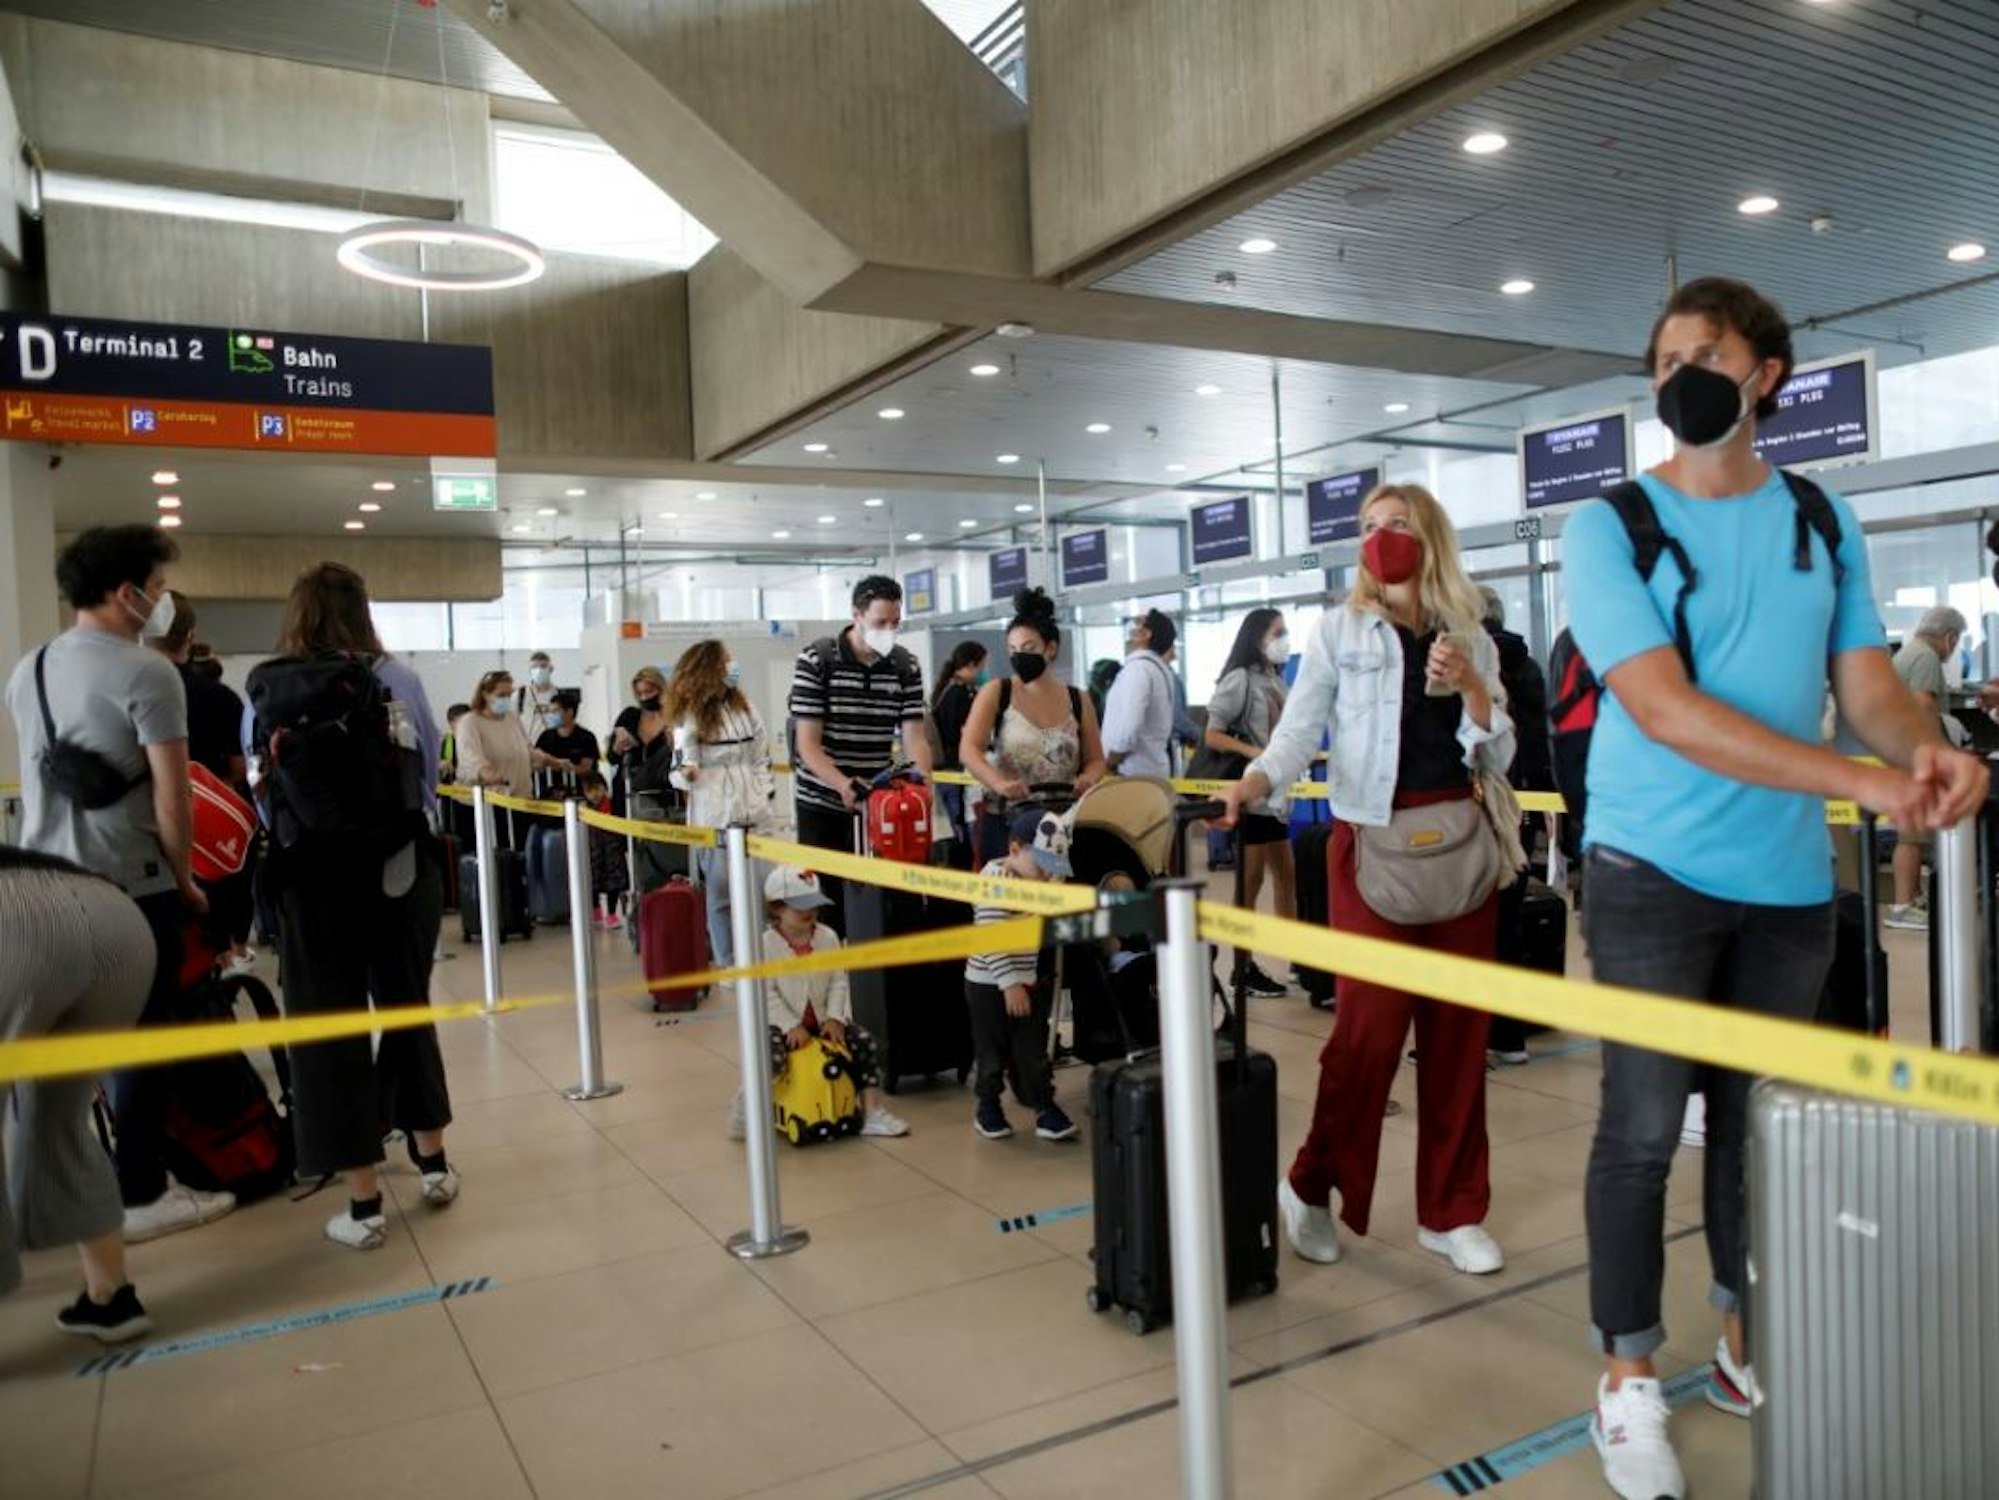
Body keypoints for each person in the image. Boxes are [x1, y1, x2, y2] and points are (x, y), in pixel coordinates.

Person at [1560, 277, 1986, 1500]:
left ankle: (1744, 1342)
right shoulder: (1609, 526)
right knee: (1643, 1128)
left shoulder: (1817, 516)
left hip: (1786, 881)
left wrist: (1922, 752)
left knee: (1759, 1129)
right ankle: (1626, 1375)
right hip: (1648, 867)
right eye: (1662, 360)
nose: (1678, 377)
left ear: (1765, 375)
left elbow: (1867, 685)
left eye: (1703, 354)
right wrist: (1858, 781)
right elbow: (1662, 709)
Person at [1219, 483, 1515, 1280]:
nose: (1380, 537)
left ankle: (1452, 1210)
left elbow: (1499, 753)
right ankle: (1309, 1186)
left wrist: (1473, 687)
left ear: (1430, 536)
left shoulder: (1468, 635)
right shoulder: (1339, 630)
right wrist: (1254, 782)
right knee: (1367, 1035)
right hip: (1370, 846)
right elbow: (1297, 731)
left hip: (1458, 847)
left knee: (1459, 1037)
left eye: (1397, 524)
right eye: (1368, 526)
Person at [4, 523, 235, 1245]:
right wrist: (185, 879)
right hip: (126, 888)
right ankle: (140, 1192)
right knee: (143, 1044)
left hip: (38, 886)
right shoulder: (147, 672)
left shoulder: (29, 667)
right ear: (126, 593)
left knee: (57, 1066)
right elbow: (173, 796)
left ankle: (47, 1204)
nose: (162, 600)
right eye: (158, 588)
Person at [248, 563, 459, 1252]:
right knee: (406, 1009)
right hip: (397, 871)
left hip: (312, 882)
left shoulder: (268, 686)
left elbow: (262, 791)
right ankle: (434, 1165)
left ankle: (363, 1205)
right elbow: (426, 781)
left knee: (328, 1031)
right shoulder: (398, 677)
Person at [0, 847, 160, 1341]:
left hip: (16, 922)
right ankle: (111, 1298)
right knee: (57, 1117)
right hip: (115, 917)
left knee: (54, 1116)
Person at [788, 576, 934, 922]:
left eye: (895, 623)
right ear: (856, 615)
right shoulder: (816, 660)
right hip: (822, 803)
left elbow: (914, 736)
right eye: (880, 622)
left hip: (879, 806)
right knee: (828, 906)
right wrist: (843, 784)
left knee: (883, 908)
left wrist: (923, 782)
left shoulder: (906, 666)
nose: (889, 631)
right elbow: (807, 744)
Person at [729, 866, 909, 1141]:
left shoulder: (828, 937)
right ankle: (747, 1108)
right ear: (776, 907)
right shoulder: (764, 945)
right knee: (767, 1055)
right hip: (780, 1023)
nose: (809, 912)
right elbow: (766, 993)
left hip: (822, 1021)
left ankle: (872, 1111)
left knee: (863, 1042)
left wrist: (835, 1018)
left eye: (813, 904)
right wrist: (790, 1025)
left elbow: (838, 980)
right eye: (800, 906)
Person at [151, 589, 257, 978]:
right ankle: (223, 960)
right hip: (208, 835)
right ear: (190, 636)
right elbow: (240, 767)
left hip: (148, 835)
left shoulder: (126, 692)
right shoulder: (220, 698)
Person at [959, 588, 1108, 862]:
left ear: (1050, 649)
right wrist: (998, 783)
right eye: (1013, 650)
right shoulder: (997, 692)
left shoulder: (1078, 699)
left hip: (1064, 822)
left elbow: (1096, 759)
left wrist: (1088, 778)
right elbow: (969, 749)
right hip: (1007, 821)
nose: (1019, 656)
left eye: (1028, 649)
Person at [964, 807, 1081, 1143]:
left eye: (1053, 868)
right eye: (1042, 866)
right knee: (991, 1054)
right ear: (1014, 850)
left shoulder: (1039, 879)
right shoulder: (993, 882)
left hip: (1027, 981)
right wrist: (1009, 984)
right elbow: (990, 938)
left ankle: (1044, 1107)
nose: (1048, 875)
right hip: (989, 985)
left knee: (1033, 1052)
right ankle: (988, 1107)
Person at [665, 639, 778, 967]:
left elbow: (761, 755)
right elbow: (678, 768)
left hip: (754, 813)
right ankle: (729, 962)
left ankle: (760, 958)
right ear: (709, 668)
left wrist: (764, 791)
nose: (732, 666)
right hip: (713, 816)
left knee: (762, 891)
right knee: (721, 897)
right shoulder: (688, 715)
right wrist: (687, 775)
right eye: (726, 660)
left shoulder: (746, 707)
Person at [1204, 607, 1296, 997]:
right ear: (1257, 637)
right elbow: (1212, 734)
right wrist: (1253, 752)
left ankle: (1299, 958)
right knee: (1251, 881)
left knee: (1287, 876)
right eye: (1278, 632)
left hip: (1275, 798)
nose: (1284, 639)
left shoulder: (1275, 679)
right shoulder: (1239, 679)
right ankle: (1241, 970)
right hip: (1249, 795)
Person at [1480, 586, 1554, 1065]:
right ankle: (1510, 1037)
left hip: (1484, 801)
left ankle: (1478, 1036)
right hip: (1524, 803)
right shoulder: (1529, 666)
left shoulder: (1472, 662)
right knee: (1508, 919)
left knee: (1474, 924)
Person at [1885, 605, 1967, 929]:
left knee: (1913, 831)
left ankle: (1913, 897)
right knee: (1912, 836)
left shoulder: (1909, 653)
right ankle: (1902, 907)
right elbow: (1924, 705)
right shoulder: (1926, 657)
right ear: (1950, 637)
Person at [456, 668, 569, 829]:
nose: (507, 699)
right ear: (485, 694)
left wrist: (553, 761)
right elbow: (471, 758)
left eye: (509, 695)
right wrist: (488, 773)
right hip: (485, 805)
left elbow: (527, 749)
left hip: (519, 800)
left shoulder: (512, 718)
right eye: (501, 695)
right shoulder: (470, 722)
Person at [1099, 609, 1181, 779]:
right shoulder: (1158, 670)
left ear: (1146, 634)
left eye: (1138, 623)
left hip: (1130, 772)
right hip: (1149, 769)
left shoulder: (1138, 669)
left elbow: (1130, 726)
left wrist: (1111, 762)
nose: (1132, 627)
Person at [930, 641, 989, 852]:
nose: (984, 672)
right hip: (955, 767)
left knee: (954, 823)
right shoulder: (960, 693)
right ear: (971, 665)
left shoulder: (945, 688)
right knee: (962, 825)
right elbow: (965, 732)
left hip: (945, 769)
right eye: (983, 666)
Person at [610, 666, 674, 813]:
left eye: (649, 692)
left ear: (661, 690)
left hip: (662, 793)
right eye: (639, 693)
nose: (644, 698)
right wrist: (619, 744)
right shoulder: (629, 716)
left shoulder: (673, 719)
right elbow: (612, 757)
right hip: (627, 790)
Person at [579, 771, 629, 930]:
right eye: (589, 790)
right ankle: (596, 910)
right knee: (592, 882)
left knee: (613, 885)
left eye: (597, 789)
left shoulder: (613, 806)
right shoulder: (583, 809)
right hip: (593, 854)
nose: (594, 794)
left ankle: (612, 914)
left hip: (612, 853)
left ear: (604, 788)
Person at [534, 689, 600, 789]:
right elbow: (537, 760)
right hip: (549, 790)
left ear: (569, 712)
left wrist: (566, 767)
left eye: (555, 711)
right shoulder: (546, 737)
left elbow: (586, 769)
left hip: (578, 790)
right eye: (549, 712)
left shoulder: (586, 737)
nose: (551, 715)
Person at [517, 650, 562, 741]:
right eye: (534, 667)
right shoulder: (520, 694)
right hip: (529, 745)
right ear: (530, 671)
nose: (539, 670)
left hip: (554, 745)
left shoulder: (559, 695)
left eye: (543, 666)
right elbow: (512, 722)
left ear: (551, 669)